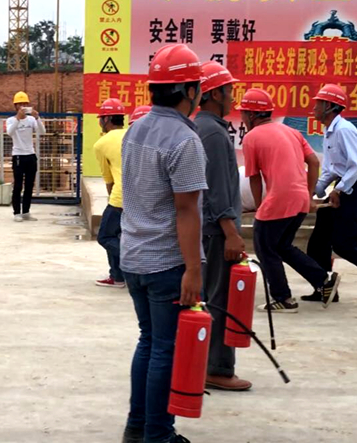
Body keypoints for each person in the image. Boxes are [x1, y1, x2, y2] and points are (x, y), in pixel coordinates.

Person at [120, 44, 206, 443]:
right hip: (166, 263)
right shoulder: (184, 140)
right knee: (164, 349)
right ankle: (158, 435)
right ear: (189, 91)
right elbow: (187, 210)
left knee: (149, 341)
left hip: (134, 256)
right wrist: (193, 270)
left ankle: (137, 427)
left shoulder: (135, 129)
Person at [240, 88, 340, 313]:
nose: (243, 118)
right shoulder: (291, 131)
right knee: (282, 246)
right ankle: (324, 281)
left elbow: (254, 177)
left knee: (264, 247)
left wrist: (259, 206)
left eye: (244, 113)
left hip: (279, 199)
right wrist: (309, 194)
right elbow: (314, 162)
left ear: (252, 114)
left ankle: (283, 299)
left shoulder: (251, 138)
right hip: (300, 199)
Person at [195, 61, 251, 391]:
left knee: (210, 297)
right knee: (220, 299)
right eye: (229, 90)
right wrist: (231, 232)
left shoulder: (202, 127)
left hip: (208, 228)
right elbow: (216, 188)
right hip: (217, 231)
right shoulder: (214, 133)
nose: (232, 96)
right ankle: (217, 368)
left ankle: (203, 362)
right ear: (215, 94)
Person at [306, 84, 357, 305]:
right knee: (318, 241)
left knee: (343, 245)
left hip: (353, 189)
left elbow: (356, 165)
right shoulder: (330, 131)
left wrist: (339, 190)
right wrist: (313, 190)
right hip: (343, 187)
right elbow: (331, 170)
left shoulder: (344, 130)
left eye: (318, 103)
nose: (314, 108)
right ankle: (323, 287)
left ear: (329, 106)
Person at [93, 98, 128, 289]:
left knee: (105, 236)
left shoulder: (101, 144)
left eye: (101, 118)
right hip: (140, 197)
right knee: (118, 235)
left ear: (106, 119)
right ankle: (117, 276)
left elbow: (109, 180)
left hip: (120, 198)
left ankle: (134, 260)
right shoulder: (132, 134)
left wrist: (111, 202)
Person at [6, 91, 45, 222]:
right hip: (18, 155)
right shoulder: (11, 120)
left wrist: (37, 118)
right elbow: (9, 132)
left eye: (25, 104)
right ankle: (17, 212)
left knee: (29, 185)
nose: (22, 106)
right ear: (15, 106)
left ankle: (26, 211)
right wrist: (18, 118)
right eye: (20, 104)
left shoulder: (31, 120)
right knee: (18, 185)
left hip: (30, 155)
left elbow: (42, 131)